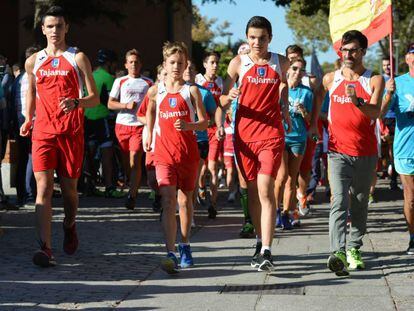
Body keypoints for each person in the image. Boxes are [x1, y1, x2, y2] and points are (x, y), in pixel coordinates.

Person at [20, 6, 99, 267]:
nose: (55, 30)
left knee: (69, 191)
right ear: (43, 29)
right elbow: (31, 93)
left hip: (70, 132)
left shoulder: (78, 58)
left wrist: (76, 102)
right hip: (43, 132)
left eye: (59, 26)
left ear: (67, 28)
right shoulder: (33, 61)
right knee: (42, 189)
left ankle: (69, 223)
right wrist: (28, 119)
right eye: (50, 26)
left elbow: (95, 98)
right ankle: (45, 248)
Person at [217, 16, 291, 271]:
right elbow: (222, 100)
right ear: (246, 38)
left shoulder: (280, 62)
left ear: (270, 38)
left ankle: (268, 251)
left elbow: (284, 88)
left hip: (271, 135)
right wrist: (229, 96)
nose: (256, 42)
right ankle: (260, 242)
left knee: (265, 188)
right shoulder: (238, 63)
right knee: (252, 193)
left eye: (261, 38)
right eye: (252, 37)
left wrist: (285, 110)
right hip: (244, 137)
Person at [323, 30, 384, 276]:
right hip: (337, 152)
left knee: (359, 203)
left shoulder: (373, 79)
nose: (348, 55)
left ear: (363, 52)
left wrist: (357, 100)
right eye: (344, 50)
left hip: (365, 152)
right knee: (339, 200)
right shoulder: (330, 79)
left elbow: (375, 112)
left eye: (353, 50)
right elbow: (319, 105)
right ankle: (337, 251)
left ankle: (354, 248)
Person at [145, 42, 207, 274]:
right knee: (168, 200)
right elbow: (150, 110)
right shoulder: (155, 90)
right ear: (164, 64)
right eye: (172, 63)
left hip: (187, 155)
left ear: (186, 65)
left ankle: (185, 244)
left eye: (180, 63)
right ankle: (170, 252)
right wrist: (149, 133)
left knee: (184, 201)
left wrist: (189, 125)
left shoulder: (191, 91)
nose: (176, 67)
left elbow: (205, 122)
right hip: (163, 154)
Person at [381, 42, 414, 254]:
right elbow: (380, 113)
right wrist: (387, 94)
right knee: (411, 199)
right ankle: (413, 237)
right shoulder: (398, 84)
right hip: (406, 150)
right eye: (413, 53)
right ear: (407, 59)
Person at [108, 49, 152, 210]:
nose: (134, 64)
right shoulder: (120, 81)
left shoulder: (149, 83)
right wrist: (125, 105)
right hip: (122, 125)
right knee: (126, 162)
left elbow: (154, 103)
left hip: (139, 126)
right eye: (131, 62)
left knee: (135, 160)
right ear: (126, 65)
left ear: (141, 64)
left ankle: (131, 196)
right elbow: (110, 104)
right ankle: (130, 182)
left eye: (136, 62)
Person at [275, 57, 313, 230]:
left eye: (301, 69)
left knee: (292, 179)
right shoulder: (280, 88)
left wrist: (304, 111)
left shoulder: (307, 93)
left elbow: (311, 120)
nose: (298, 72)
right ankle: (275, 211)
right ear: (288, 70)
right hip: (281, 136)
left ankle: (286, 213)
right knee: (281, 176)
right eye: (295, 68)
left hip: (298, 138)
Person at [84, 48, 124, 198]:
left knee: (89, 153)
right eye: (114, 64)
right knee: (107, 154)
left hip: (87, 119)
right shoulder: (110, 78)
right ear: (109, 63)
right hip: (102, 120)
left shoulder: (91, 75)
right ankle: (109, 187)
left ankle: (89, 186)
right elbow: (110, 102)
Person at [183, 60, 216, 226]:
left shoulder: (204, 93)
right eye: (185, 67)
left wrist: (214, 124)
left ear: (196, 71)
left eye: (191, 67)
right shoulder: (170, 91)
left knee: (193, 179)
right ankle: (176, 207)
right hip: (178, 141)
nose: (188, 70)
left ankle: (191, 214)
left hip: (199, 140)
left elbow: (215, 112)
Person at [195, 51, 223, 218]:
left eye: (217, 62)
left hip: (215, 130)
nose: (215, 66)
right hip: (200, 130)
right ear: (205, 64)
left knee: (212, 167)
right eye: (212, 62)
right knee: (202, 167)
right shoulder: (197, 81)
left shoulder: (221, 82)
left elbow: (223, 104)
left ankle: (212, 205)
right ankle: (200, 187)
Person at [11, 45, 40, 207]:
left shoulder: (18, 78)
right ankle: (29, 194)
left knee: (23, 158)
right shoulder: (32, 77)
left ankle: (21, 193)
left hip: (19, 122)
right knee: (31, 157)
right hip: (32, 121)